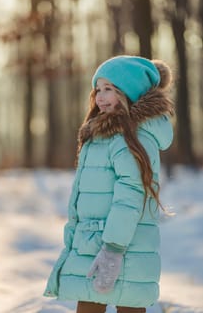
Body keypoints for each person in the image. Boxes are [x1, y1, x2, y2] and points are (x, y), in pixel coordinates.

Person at [44, 55, 174, 313]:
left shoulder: (131, 137)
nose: (101, 97)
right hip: (95, 244)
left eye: (110, 90)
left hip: (123, 247)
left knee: (128, 307)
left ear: (128, 93)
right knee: (89, 305)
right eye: (98, 90)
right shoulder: (100, 134)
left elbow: (131, 194)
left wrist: (113, 249)